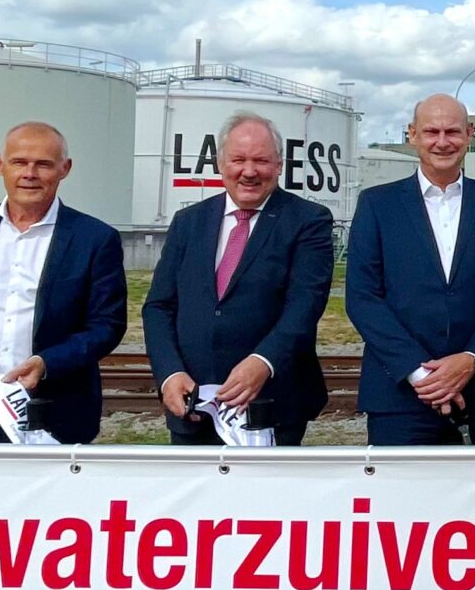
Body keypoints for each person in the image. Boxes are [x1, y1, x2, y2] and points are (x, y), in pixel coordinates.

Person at [0, 120, 128, 444]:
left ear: (65, 169)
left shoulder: (95, 238)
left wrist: (46, 363)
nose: (30, 173)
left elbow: (106, 325)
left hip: (54, 410)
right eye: (19, 162)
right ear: (0, 165)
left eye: (43, 164)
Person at [344, 93, 475, 445]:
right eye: (431, 132)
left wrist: (471, 360)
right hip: (399, 395)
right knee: (400, 484)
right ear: (412, 134)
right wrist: (421, 374)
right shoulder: (377, 205)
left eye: (452, 131)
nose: (442, 142)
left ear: (469, 134)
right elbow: (362, 297)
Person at [142, 111, 334, 446]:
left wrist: (263, 362)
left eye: (261, 160)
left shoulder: (308, 221)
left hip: (272, 404)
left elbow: (305, 305)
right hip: (192, 405)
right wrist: (169, 373)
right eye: (238, 160)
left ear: (279, 165)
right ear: (220, 163)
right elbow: (158, 307)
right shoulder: (188, 222)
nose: (249, 171)